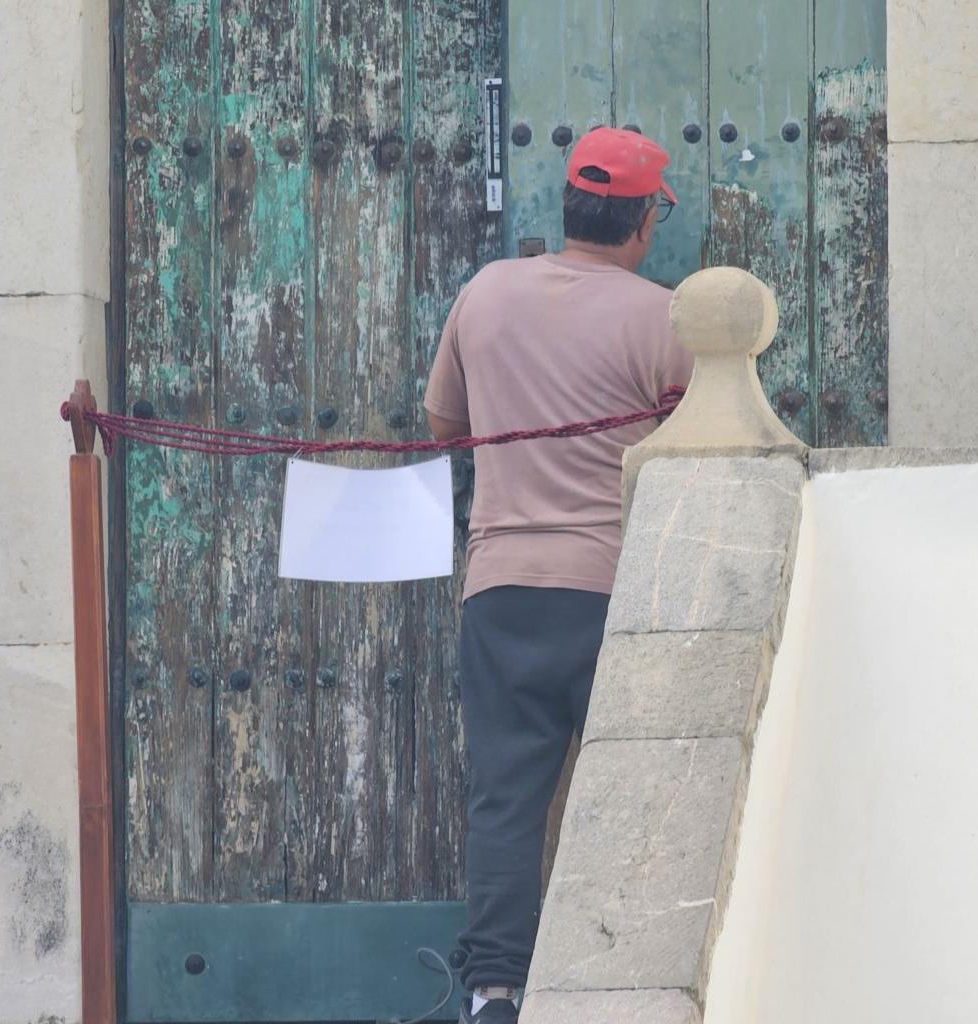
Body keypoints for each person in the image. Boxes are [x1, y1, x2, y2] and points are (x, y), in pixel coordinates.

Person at [423, 127, 695, 1024]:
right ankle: (621, 987)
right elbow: (697, 457)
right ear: (644, 220)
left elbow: (445, 425)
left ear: (571, 206)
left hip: (501, 589)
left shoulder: (487, 291)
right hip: (610, 595)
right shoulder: (663, 320)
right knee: (621, 791)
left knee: (506, 797)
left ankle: (496, 993)